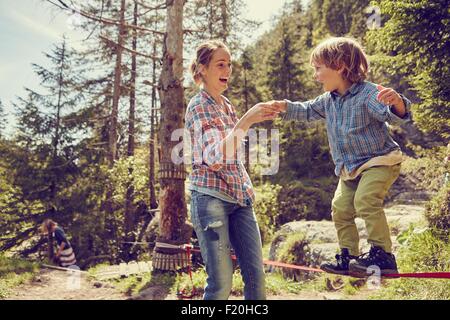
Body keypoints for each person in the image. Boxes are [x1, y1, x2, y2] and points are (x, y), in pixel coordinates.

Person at [269, 37, 412, 277]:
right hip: (349, 168)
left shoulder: (367, 94)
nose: (315, 75)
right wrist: (283, 106)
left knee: (365, 200)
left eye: (318, 68)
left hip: (379, 160)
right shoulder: (328, 100)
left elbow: (392, 116)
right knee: (340, 208)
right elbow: (305, 110)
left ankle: (384, 255)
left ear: (340, 66)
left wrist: (397, 103)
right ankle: (349, 256)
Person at [185, 40, 279, 299]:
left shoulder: (226, 106)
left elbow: (233, 158)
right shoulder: (198, 105)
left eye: (229, 65)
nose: (227, 70)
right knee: (221, 284)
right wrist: (247, 119)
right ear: (202, 69)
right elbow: (215, 158)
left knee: (257, 282)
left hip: (240, 200)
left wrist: (247, 190)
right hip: (210, 199)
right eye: (220, 64)